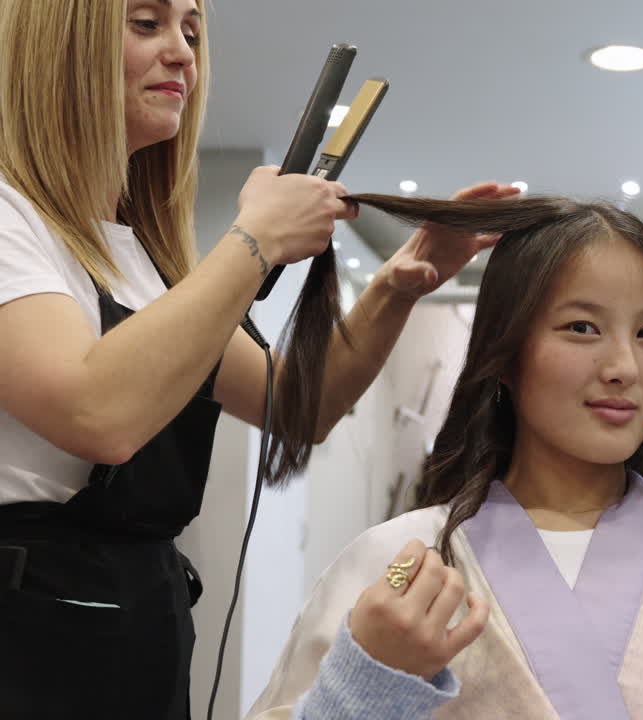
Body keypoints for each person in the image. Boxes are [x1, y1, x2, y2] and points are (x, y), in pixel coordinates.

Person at [0, 2, 513, 717]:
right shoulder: (9, 221)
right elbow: (96, 413)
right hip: (30, 641)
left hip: (140, 626)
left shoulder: (143, 260)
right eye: (144, 23)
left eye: (191, 30)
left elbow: (300, 404)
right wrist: (254, 240)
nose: (183, 52)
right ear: (59, 42)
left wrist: (398, 286)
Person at [247, 194, 643, 720]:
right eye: (582, 328)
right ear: (506, 353)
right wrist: (364, 684)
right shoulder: (399, 562)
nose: (624, 367)